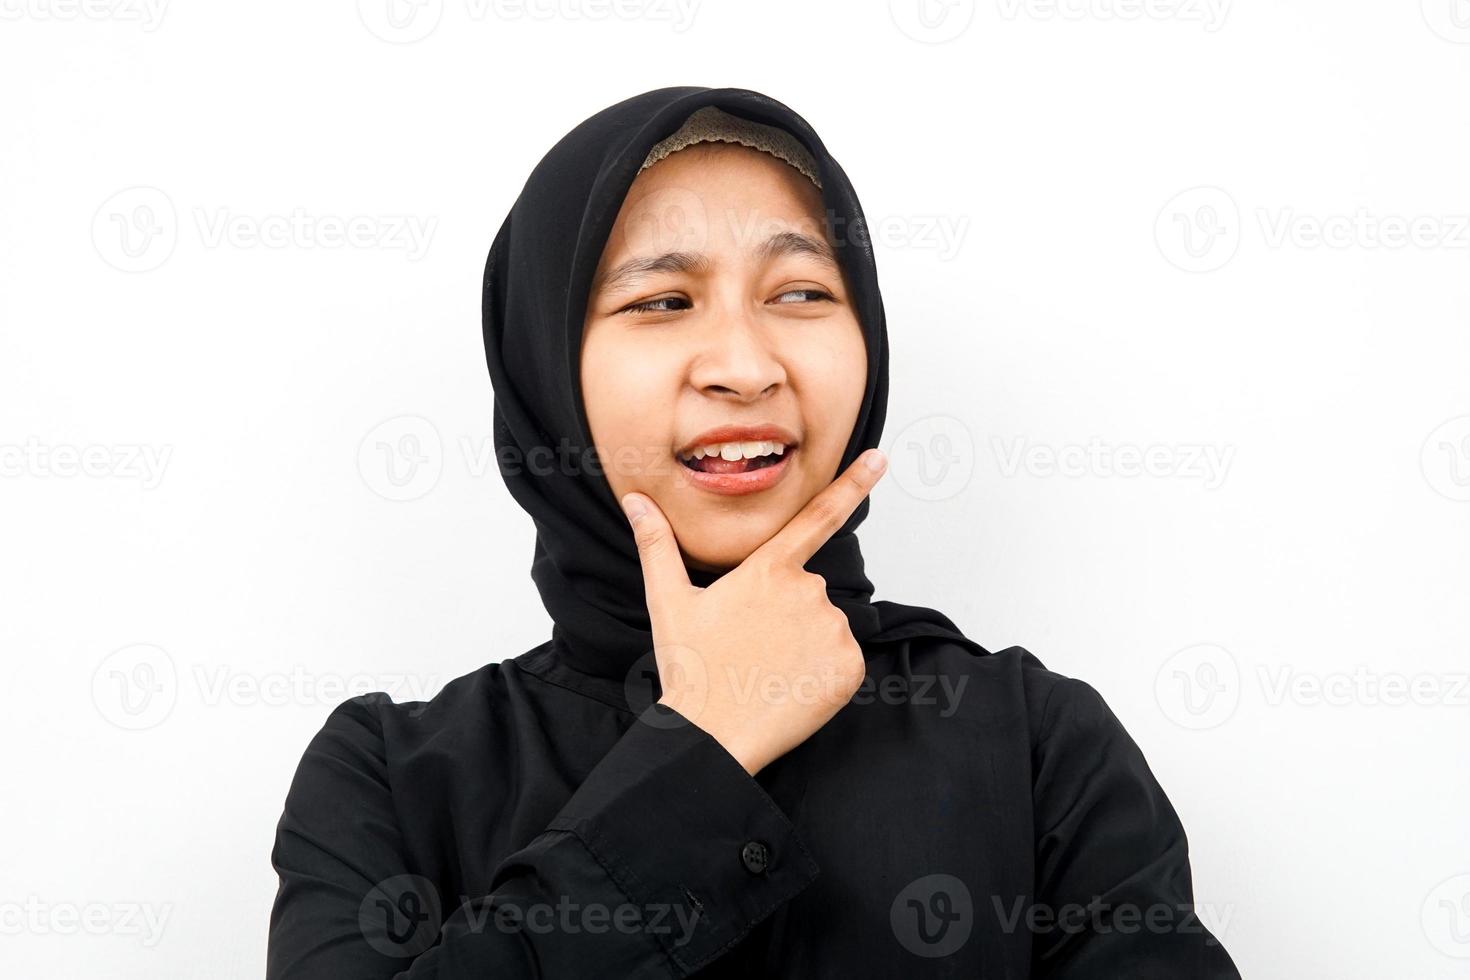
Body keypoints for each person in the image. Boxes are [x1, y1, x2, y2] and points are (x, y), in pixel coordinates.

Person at [265, 85, 1242, 978]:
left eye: (801, 293)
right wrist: (703, 748)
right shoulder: (390, 775)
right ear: (545, 365)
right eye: (662, 301)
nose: (743, 364)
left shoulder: (1033, 742)